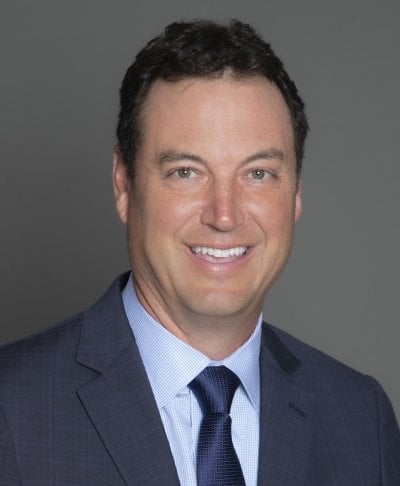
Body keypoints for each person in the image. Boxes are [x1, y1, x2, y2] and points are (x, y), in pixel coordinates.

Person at [0, 19, 399, 486]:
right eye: (186, 172)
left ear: (295, 193)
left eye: (259, 174)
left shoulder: (360, 418)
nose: (224, 215)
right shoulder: (11, 408)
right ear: (124, 184)